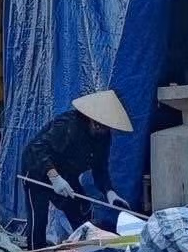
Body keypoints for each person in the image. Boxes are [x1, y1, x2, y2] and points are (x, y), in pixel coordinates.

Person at [19, 90, 131, 244]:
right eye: (98, 126)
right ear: (91, 119)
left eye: (105, 128)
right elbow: (37, 149)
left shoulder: (103, 137)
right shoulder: (68, 124)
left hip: (66, 172)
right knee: (38, 219)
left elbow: (100, 167)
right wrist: (54, 177)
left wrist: (109, 192)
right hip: (37, 169)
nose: (101, 130)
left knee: (81, 208)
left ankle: (85, 248)